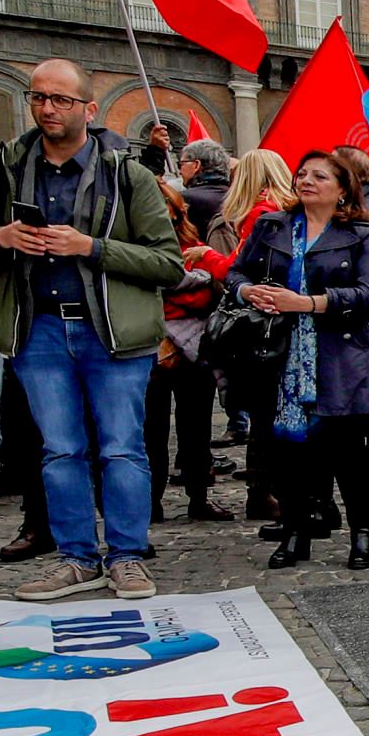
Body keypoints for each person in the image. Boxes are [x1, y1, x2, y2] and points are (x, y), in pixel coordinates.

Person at [0, 57, 183, 602]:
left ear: (88, 107)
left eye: (60, 99)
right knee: (60, 450)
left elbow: (169, 263)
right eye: (38, 97)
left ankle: (127, 556)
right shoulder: (3, 166)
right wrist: (2, 240)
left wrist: (93, 248)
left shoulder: (125, 172)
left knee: (122, 449)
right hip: (37, 329)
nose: (47, 108)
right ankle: (76, 558)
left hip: (113, 333)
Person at [231, 151, 369, 570]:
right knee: (286, 454)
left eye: (319, 176)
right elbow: (235, 274)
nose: (307, 180)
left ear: (341, 189)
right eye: (302, 174)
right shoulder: (271, 226)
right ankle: (296, 531)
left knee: (348, 454)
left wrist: (308, 303)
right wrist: (249, 293)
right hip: (277, 356)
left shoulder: (358, 233)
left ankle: (362, 533)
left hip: (339, 356)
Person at [208, 147, 297, 523]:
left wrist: (204, 256)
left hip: (268, 326)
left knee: (266, 414)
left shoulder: (263, 215)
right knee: (274, 412)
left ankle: (264, 491)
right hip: (280, 320)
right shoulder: (286, 213)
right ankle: (269, 490)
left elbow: (237, 268)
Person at [144, 178, 234, 523]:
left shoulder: (190, 243)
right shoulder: (137, 246)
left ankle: (199, 496)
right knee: (150, 431)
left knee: (196, 429)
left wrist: (189, 285)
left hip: (195, 347)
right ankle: (151, 500)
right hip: (152, 345)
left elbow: (205, 293)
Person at [178, 137, 230, 240]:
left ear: (196, 165)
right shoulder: (240, 197)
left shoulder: (183, 199)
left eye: (181, 164)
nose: (179, 171)